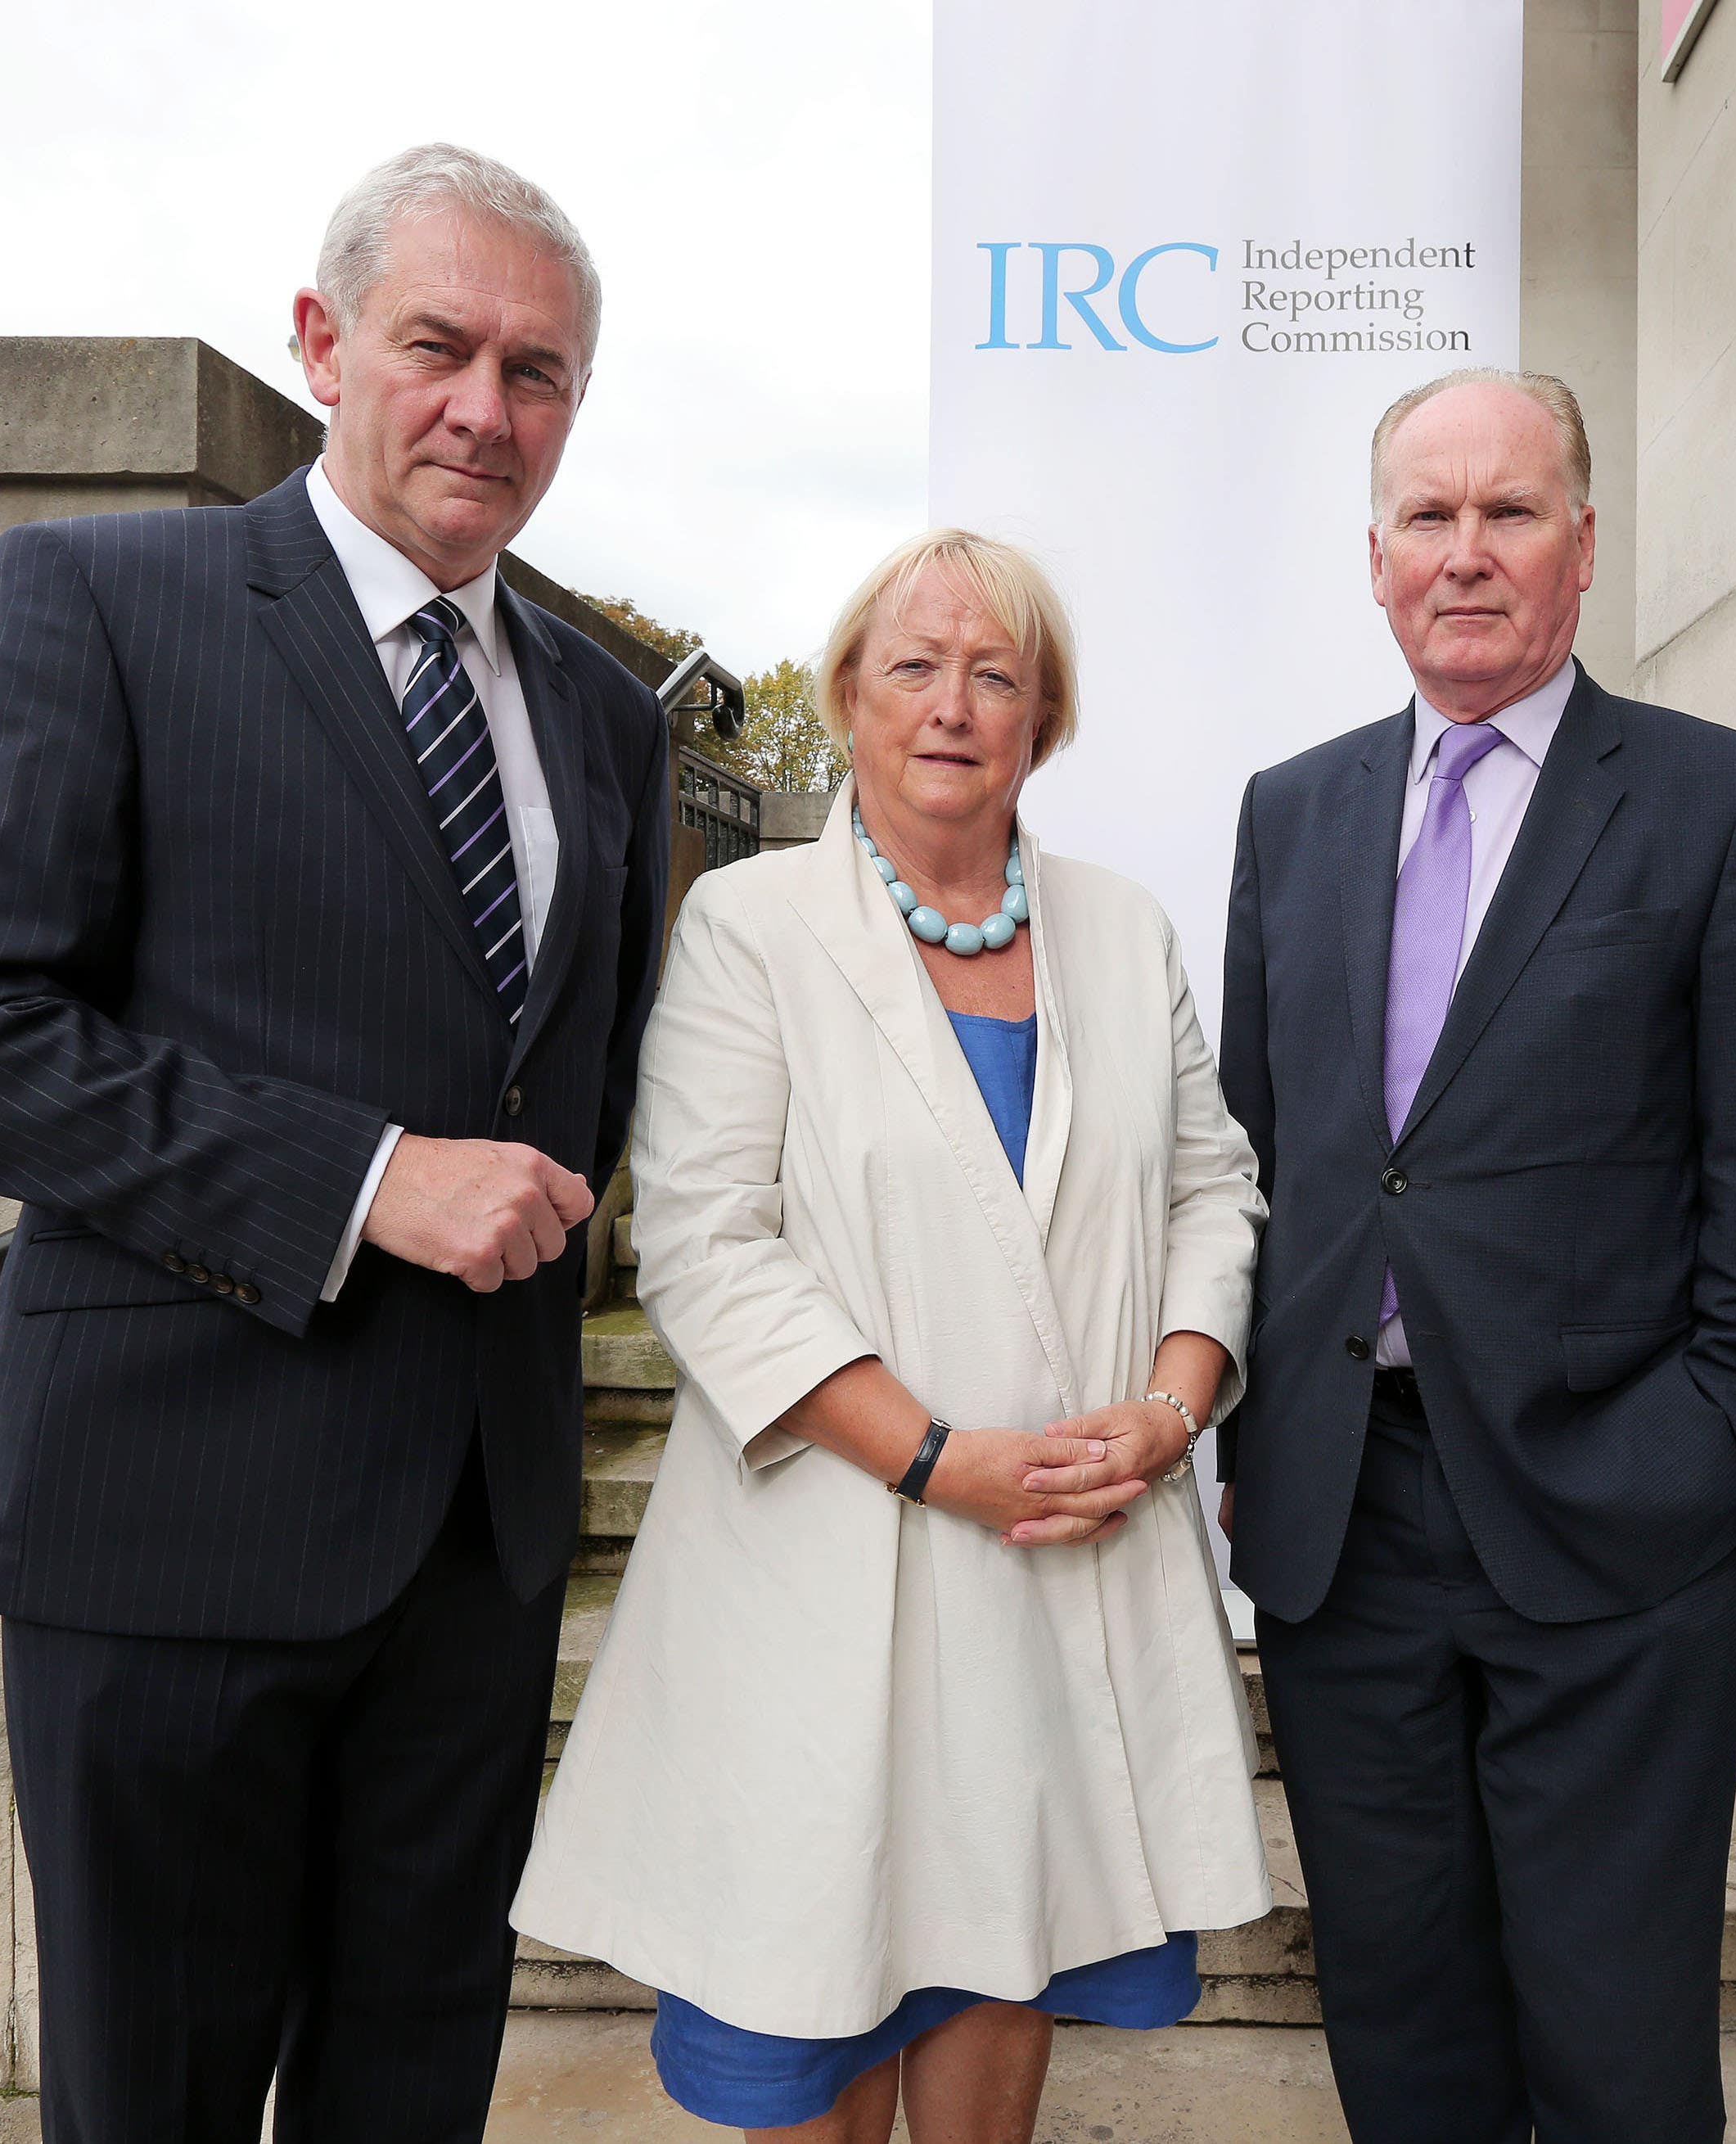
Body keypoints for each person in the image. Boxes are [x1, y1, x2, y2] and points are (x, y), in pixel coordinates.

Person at [0, 145, 668, 2140]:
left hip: (469, 1549)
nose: (487, 407)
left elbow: (587, 1082)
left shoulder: (609, 716)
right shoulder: (103, 600)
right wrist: (368, 1176)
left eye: (538, 371)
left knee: (411, 2097)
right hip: (171, 1524)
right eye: (438, 346)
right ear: (321, 343)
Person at [512, 529, 1272, 2144]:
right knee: (814, 1994)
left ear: (1043, 714)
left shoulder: (1118, 931)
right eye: (912, 666)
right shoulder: (751, 930)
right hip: (835, 1563)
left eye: (994, 672)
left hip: (1071, 1543)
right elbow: (708, 1246)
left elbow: (1216, 1190)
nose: (951, 705)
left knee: (1007, 1961)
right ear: (847, 694)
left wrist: (1164, 1409)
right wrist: (938, 1457)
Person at [1216, 369, 1736, 2142]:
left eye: (1508, 512)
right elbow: (1256, 1162)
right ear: (1373, 558)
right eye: (1428, 516)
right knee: (1400, 2028)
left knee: (1616, 2044)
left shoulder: (1713, 805)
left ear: (1582, 544)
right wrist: (1255, 1440)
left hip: (1606, 1519)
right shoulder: (1292, 812)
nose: (1466, 553)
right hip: (1347, 1522)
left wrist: (1723, 1462)